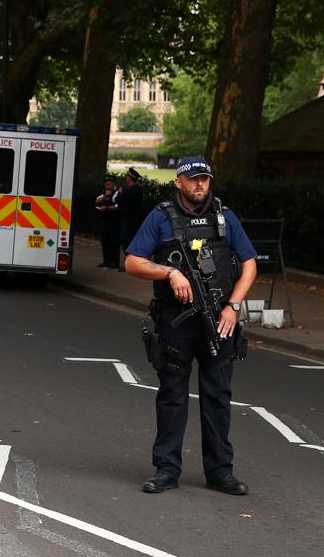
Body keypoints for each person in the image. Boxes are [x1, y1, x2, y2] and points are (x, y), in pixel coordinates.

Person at [124, 157, 258, 497]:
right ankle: (166, 469)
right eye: (193, 179)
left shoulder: (225, 218)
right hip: (176, 321)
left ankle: (220, 472)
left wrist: (233, 307)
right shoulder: (161, 217)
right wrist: (169, 272)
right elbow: (133, 262)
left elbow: (249, 265)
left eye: (205, 179)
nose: (200, 184)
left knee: (218, 398)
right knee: (172, 396)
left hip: (219, 321)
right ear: (179, 182)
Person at [113, 168, 144, 271]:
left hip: (130, 220)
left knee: (126, 240)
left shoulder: (131, 190)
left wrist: (120, 193)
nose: (126, 178)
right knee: (127, 241)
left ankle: (130, 264)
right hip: (131, 219)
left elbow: (119, 199)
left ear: (130, 178)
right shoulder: (135, 190)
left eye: (127, 177)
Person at [95, 175, 120, 268]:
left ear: (113, 184)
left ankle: (114, 262)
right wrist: (104, 196)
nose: (107, 186)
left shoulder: (117, 193)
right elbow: (97, 201)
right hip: (104, 220)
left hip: (113, 221)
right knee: (105, 242)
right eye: (106, 184)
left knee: (113, 242)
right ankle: (106, 261)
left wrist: (107, 208)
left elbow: (118, 206)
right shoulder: (104, 193)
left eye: (109, 184)